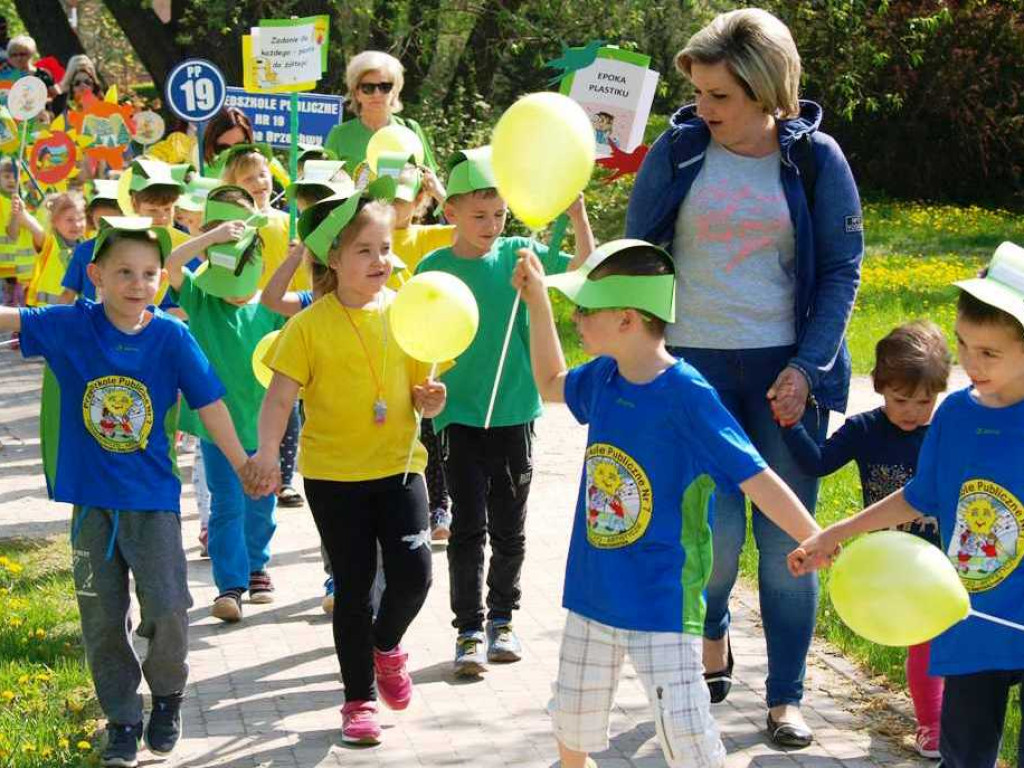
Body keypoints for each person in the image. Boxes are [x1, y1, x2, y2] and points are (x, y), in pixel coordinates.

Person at [624, 8, 864, 745]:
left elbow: (841, 272)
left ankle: (786, 697)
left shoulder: (818, 160)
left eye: (719, 96)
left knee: (789, 546)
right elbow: (638, 251)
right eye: (698, 92)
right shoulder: (680, 148)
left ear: (766, 91)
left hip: (782, 372)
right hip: (691, 369)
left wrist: (805, 367)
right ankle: (715, 621)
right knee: (715, 538)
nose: (703, 109)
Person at [512, 238, 822, 768]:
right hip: (594, 591)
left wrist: (813, 534)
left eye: (587, 310)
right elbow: (550, 383)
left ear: (628, 318)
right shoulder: (605, 377)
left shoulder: (688, 395)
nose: (578, 319)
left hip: (662, 599)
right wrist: (537, 300)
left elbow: (756, 475)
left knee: (685, 732)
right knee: (574, 716)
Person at [0, 217, 252, 768]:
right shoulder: (73, 326)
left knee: (168, 608)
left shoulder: (171, 336)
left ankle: (166, 696)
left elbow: (210, 403)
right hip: (92, 505)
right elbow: (11, 316)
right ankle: (121, 719)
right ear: (96, 276)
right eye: (124, 273)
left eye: (149, 273)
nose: (138, 284)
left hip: (152, 504)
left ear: (161, 277)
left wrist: (242, 462)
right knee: (101, 620)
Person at [791, 241, 1024, 768]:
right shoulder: (956, 416)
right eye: (965, 344)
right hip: (970, 621)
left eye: (990, 353)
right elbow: (921, 496)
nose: (971, 363)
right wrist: (836, 533)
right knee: (963, 757)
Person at [248, 189, 444, 745]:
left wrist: (432, 398)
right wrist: (266, 454)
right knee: (353, 587)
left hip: (402, 466)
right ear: (333, 259)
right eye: (364, 250)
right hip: (334, 477)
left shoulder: (408, 309)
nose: (380, 260)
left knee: (415, 575)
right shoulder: (309, 325)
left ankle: (386, 647)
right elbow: (279, 400)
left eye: (384, 248)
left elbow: (424, 389)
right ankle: (358, 700)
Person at [415, 147, 595, 676]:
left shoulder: (522, 253)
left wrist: (578, 217)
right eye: (478, 216)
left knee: (510, 526)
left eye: (498, 215)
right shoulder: (433, 267)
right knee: (467, 525)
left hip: (515, 410)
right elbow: (416, 336)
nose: (491, 225)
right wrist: (423, 390)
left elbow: (584, 270)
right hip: (457, 415)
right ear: (450, 212)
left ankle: (502, 619)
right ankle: (468, 629)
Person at [782, 320, 951, 757]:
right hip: (892, 565)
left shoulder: (946, 431)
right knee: (924, 641)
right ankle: (934, 724)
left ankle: (942, 723)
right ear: (879, 387)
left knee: (944, 643)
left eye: (925, 401)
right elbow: (817, 463)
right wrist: (789, 424)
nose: (913, 411)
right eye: (901, 400)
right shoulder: (865, 430)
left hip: (946, 560)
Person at [164, 185, 286, 622]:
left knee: (262, 500)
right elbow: (172, 264)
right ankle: (229, 585)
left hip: (266, 427)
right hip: (218, 432)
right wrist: (208, 239)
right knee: (226, 504)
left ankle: (258, 568)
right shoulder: (201, 296)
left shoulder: (270, 305)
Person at [324, 51, 437, 171]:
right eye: (368, 88)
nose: (377, 94)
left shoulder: (411, 130)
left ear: (395, 92)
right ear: (356, 93)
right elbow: (324, 184)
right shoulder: (340, 136)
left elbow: (430, 182)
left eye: (385, 87)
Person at [59, 180, 122, 303]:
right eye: (101, 222)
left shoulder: (138, 249)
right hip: (91, 319)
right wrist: (54, 320)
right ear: (92, 218)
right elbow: (68, 293)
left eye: (112, 222)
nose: (106, 227)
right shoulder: (84, 250)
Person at [23, 192, 87, 307]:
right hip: (46, 315)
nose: (77, 225)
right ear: (54, 221)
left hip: (73, 316)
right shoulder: (48, 243)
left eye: (81, 219)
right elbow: (33, 226)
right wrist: (21, 211)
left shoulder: (87, 246)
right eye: (69, 220)